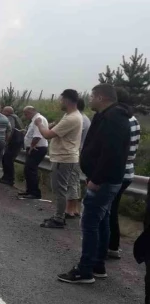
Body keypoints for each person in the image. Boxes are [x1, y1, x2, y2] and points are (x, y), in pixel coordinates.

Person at [57, 83, 131, 284]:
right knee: (102, 221)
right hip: (103, 179)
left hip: (103, 181)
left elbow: (111, 153)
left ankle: (85, 270)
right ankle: (97, 265)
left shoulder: (114, 118)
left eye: (91, 96)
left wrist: (96, 179)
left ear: (101, 97)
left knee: (89, 224)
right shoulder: (108, 115)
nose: (88, 99)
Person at [35, 89, 83, 229]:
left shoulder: (71, 118)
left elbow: (48, 135)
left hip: (63, 158)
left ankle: (58, 219)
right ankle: (59, 215)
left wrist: (40, 124)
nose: (59, 102)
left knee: (59, 190)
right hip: (67, 157)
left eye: (61, 99)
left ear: (67, 100)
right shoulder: (70, 115)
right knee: (63, 188)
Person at [108, 88, 140, 259]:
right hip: (127, 171)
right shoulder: (133, 119)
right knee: (111, 209)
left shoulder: (122, 120)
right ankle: (112, 245)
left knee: (109, 210)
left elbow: (115, 150)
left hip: (118, 171)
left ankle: (111, 246)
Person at [19, 106, 49, 199]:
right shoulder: (35, 119)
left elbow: (38, 136)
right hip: (36, 147)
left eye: (26, 113)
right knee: (28, 170)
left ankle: (35, 192)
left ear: (32, 111)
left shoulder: (38, 119)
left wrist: (32, 146)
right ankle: (29, 190)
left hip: (37, 148)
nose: (25, 115)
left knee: (31, 170)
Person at [0, 106, 24, 186]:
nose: (2, 113)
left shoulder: (10, 118)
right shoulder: (15, 117)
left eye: (3, 111)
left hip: (14, 142)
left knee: (7, 160)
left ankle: (9, 179)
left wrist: (7, 141)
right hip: (17, 142)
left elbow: (10, 129)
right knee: (6, 159)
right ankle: (6, 177)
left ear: (8, 112)